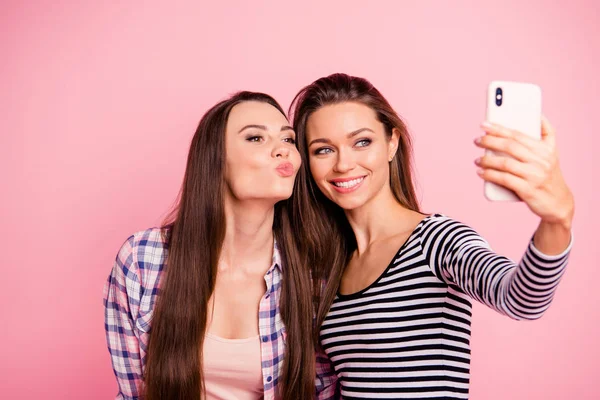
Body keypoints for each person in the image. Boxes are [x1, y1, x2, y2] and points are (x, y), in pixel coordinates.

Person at [289, 73, 574, 399]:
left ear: (392, 143)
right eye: (323, 150)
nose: (344, 164)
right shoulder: (327, 269)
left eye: (362, 142)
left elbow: (521, 299)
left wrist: (557, 220)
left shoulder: (436, 240)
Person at [103, 91, 321, 400]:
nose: (282, 151)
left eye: (288, 140)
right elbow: (133, 394)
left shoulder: (311, 271)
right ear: (216, 159)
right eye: (256, 138)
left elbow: (322, 390)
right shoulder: (142, 260)